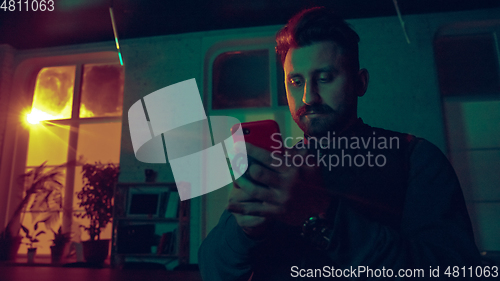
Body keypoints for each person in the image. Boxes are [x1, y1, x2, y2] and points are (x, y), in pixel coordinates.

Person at [198, 7, 481, 280]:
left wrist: (321, 215)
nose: (309, 97)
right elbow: (213, 270)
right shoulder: (278, 166)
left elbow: (452, 271)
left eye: (325, 78)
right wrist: (243, 232)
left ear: (360, 83)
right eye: (296, 81)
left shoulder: (415, 158)